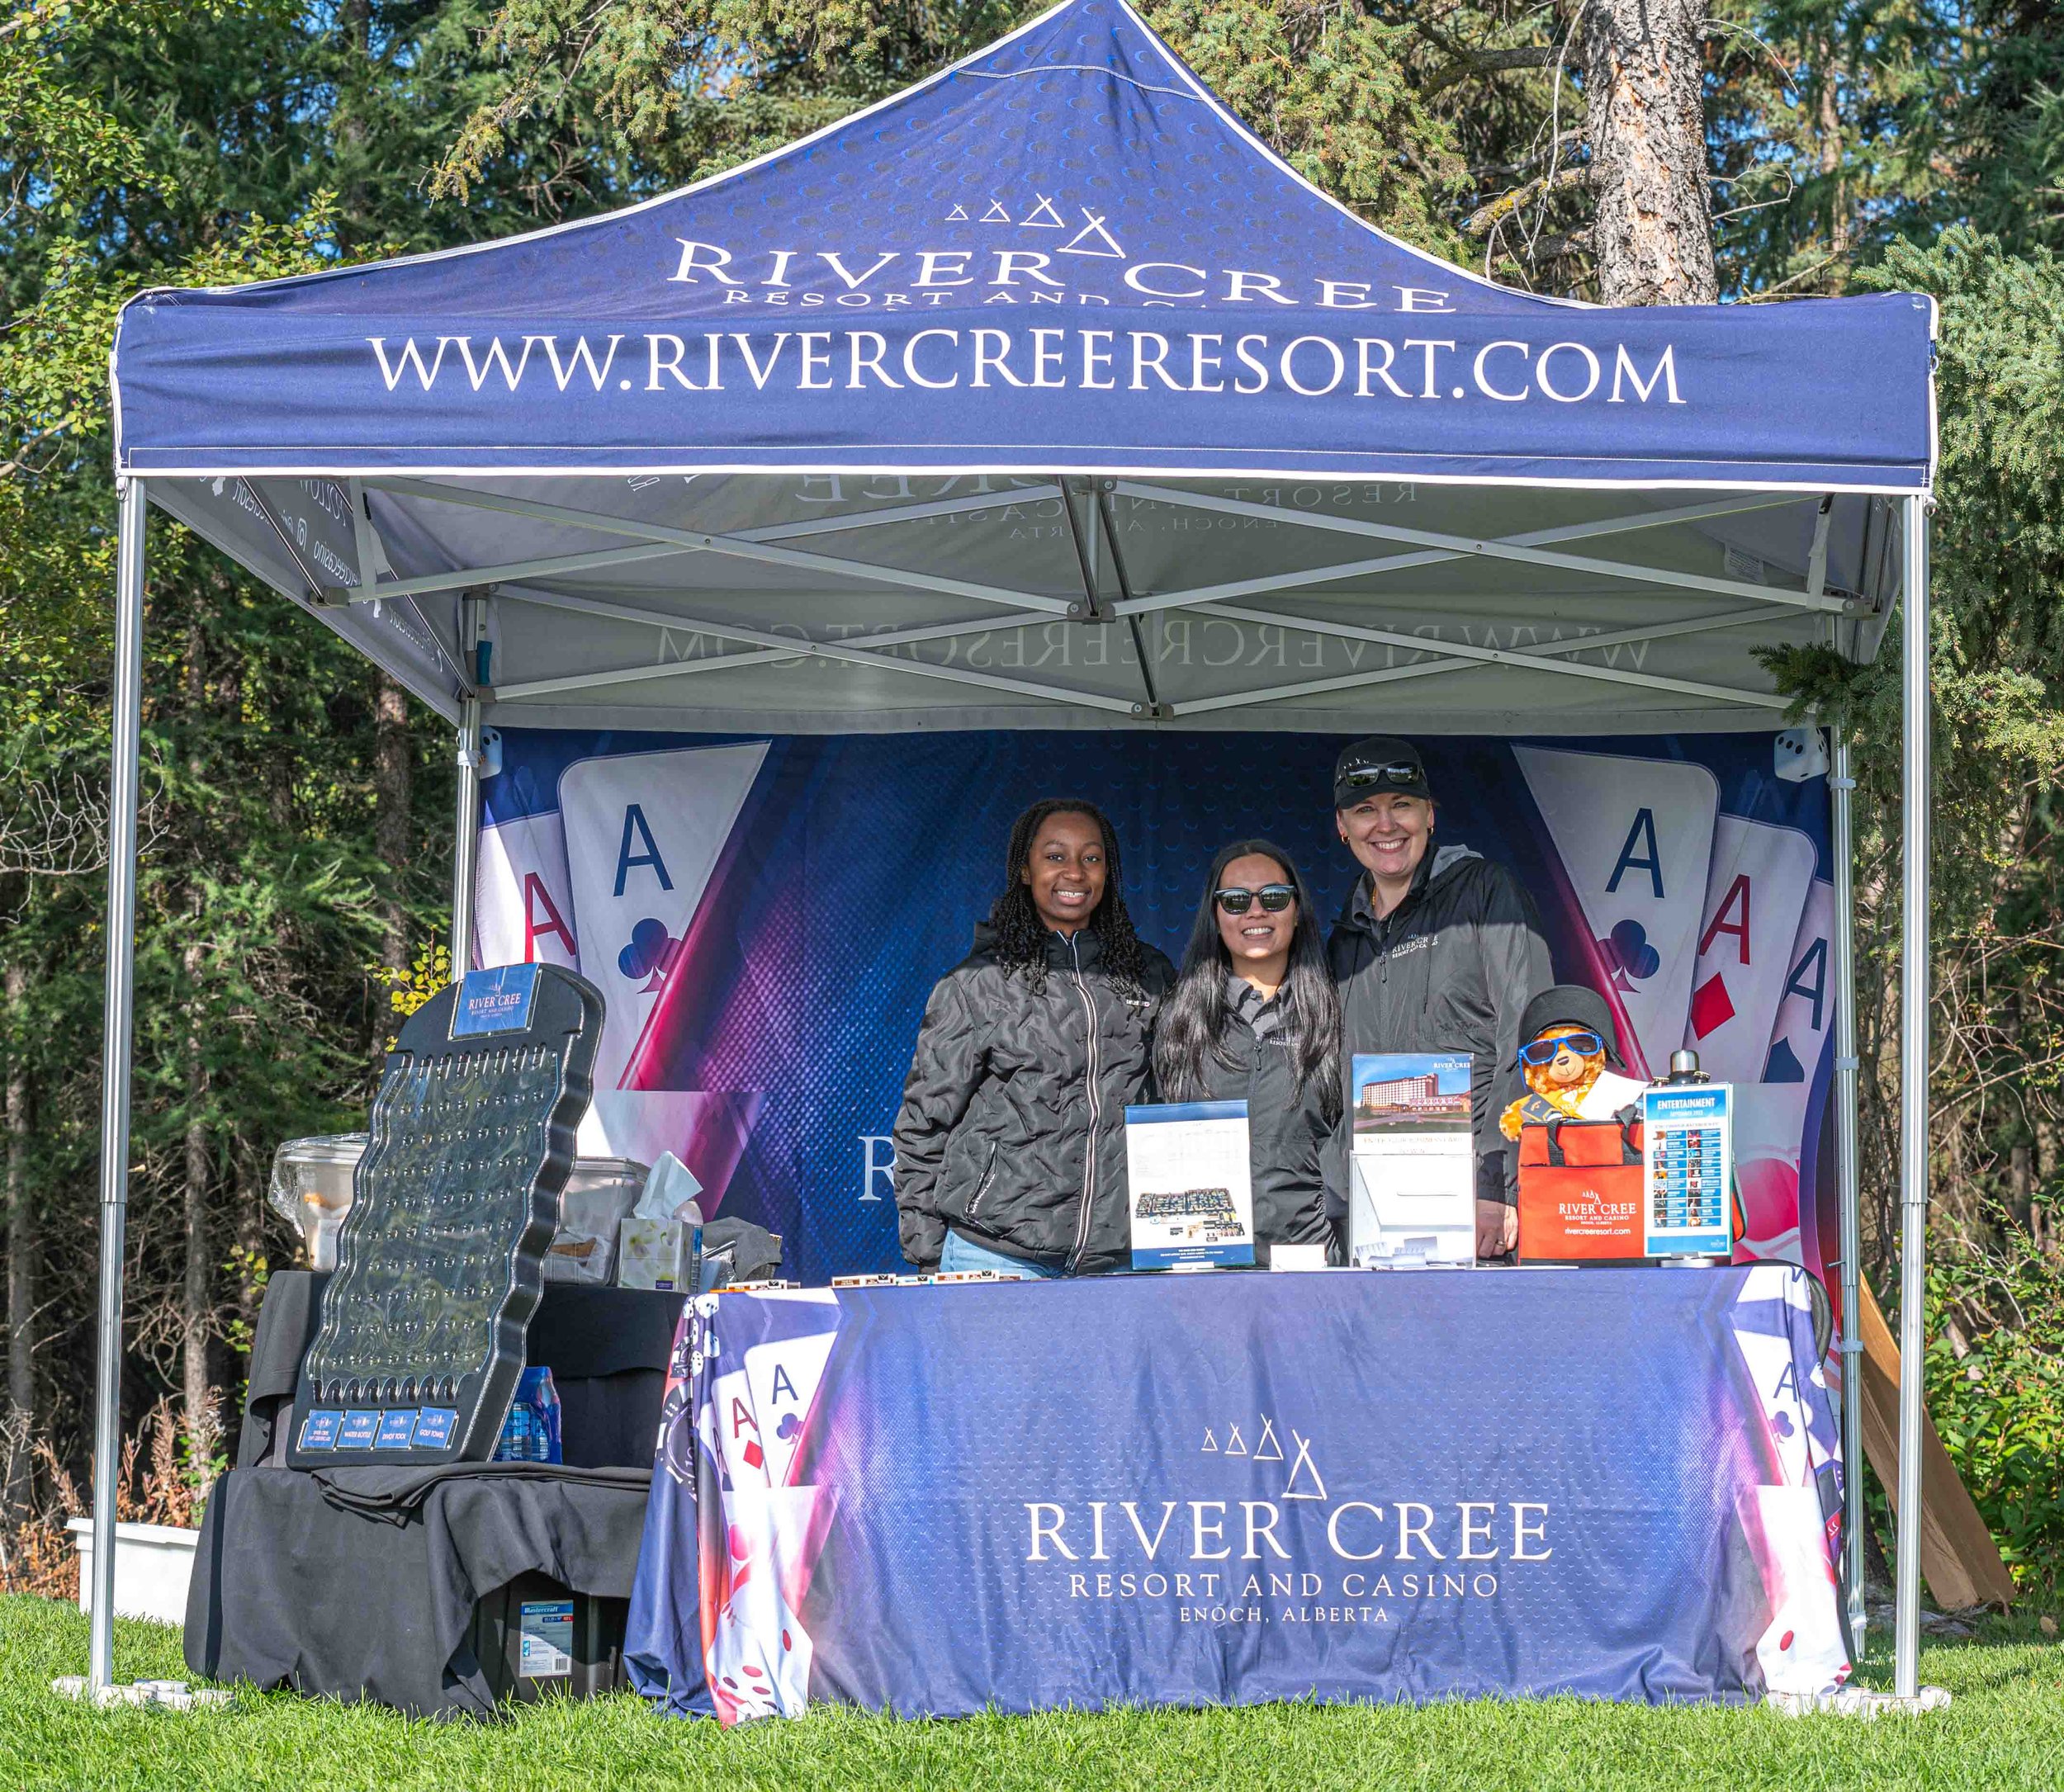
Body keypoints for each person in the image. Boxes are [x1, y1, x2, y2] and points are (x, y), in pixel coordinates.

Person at [893, 799, 1176, 1279]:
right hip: (996, 1254)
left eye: (1091, 858)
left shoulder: (1150, 974)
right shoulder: (976, 983)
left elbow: (1180, 1099)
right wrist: (928, 1251)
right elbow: (924, 1123)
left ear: (1107, 872)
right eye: (1055, 856)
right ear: (1025, 870)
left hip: (1121, 1261)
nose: (1075, 872)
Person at [1325, 736, 1550, 1259]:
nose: (1386, 825)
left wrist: (1498, 1186)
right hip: (1371, 1212)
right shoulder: (1344, 939)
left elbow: (1531, 1040)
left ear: (1430, 814)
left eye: (1401, 804)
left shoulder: (1486, 893)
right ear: (1343, 827)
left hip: (1473, 1207)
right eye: (1365, 810)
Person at [1153, 840, 1341, 1265]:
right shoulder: (1178, 1019)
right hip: (1203, 1260)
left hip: (1311, 1261)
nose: (1255, 912)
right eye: (1236, 900)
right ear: (1215, 916)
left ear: (1297, 910)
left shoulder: (1337, 1011)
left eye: (1273, 897)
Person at [1499, 986, 1648, 1137]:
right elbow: (1514, 1119)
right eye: (1544, 1051)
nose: (1563, 1058)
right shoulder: (1536, 1104)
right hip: (1555, 1150)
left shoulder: (1610, 1091)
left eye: (1580, 1044)